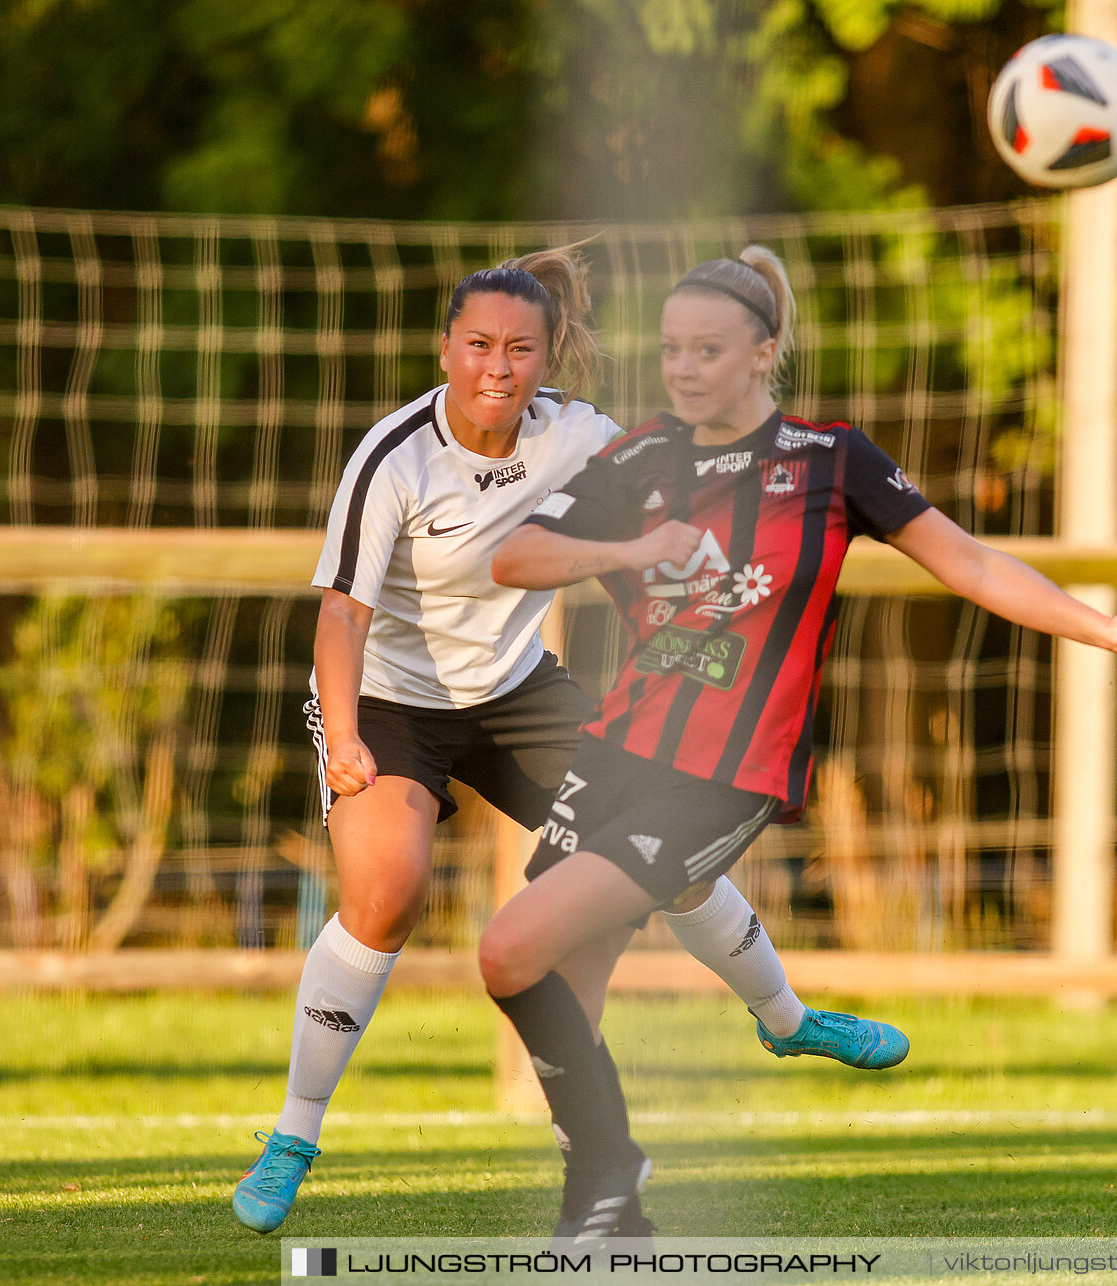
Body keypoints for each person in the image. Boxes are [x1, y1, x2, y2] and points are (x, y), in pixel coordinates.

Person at [481, 245, 1117, 1242]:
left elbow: (969, 559)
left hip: (724, 774)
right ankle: (604, 1222)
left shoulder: (830, 459)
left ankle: (609, 1174)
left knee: (510, 950)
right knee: (551, 983)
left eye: (709, 349)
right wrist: (630, 548)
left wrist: (1099, 624)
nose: (684, 368)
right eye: (673, 348)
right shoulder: (636, 457)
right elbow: (518, 555)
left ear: (764, 353)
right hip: (616, 749)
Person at [232, 246, 905, 1237]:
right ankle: (294, 1133)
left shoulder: (581, 436)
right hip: (386, 700)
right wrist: (340, 737)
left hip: (514, 691)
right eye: (476, 346)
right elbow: (340, 614)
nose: (496, 369)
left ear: (549, 357)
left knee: (657, 841)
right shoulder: (394, 455)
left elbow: (688, 459)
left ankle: (785, 1019)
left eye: (519, 349)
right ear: (446, 348)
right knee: (387, 891)